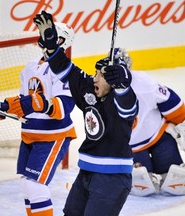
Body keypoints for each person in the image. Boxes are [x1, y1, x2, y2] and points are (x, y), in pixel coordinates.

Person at [33, 11, 139, 216]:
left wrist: (123, 83)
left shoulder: (120, 100)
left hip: (112, 178)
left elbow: (129, 105)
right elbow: (66, 69)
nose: (95, 78)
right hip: (86, 173)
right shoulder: (90, 90)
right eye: (96, 72)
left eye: (102, 75)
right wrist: (52, 46)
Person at [0, 22, 77, 216]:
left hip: (53, 136)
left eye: (49, 34)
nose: (43, 36)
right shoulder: (30, 67)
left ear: (61, 40)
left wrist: (41, 104)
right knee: (27, 185)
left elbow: (64, 107)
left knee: (35, 186)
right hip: (30, 134)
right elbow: (24, 103)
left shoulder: (64, 70)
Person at [107, 48, 185, 196]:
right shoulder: (102, 91)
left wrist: (184, 126)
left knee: (171, 171)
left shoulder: (143, 83)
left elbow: (170, 101)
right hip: (130, 148)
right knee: (142, 177)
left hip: (159, 137)